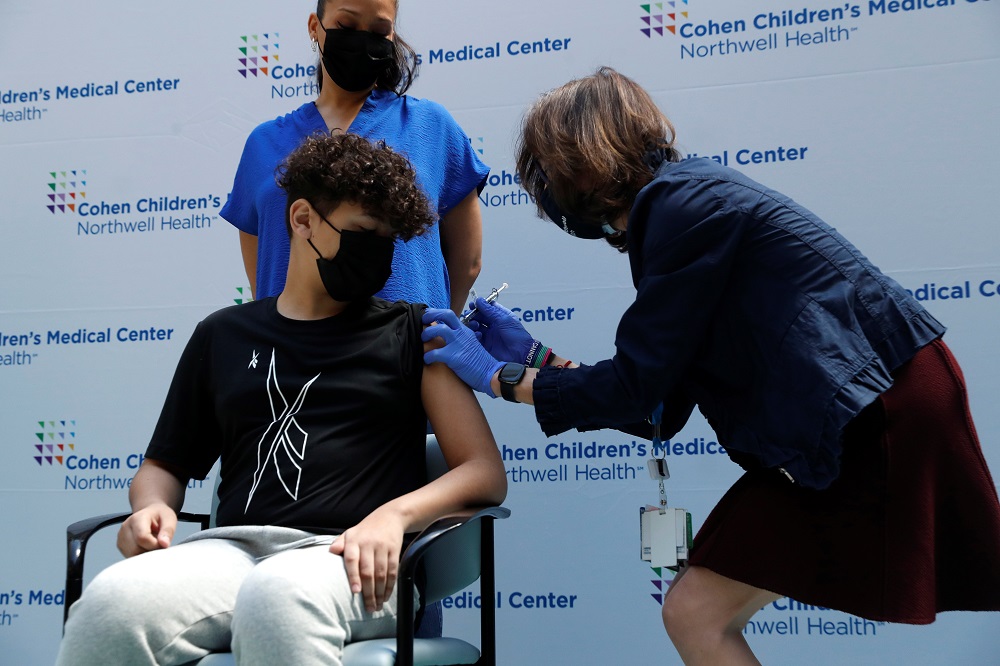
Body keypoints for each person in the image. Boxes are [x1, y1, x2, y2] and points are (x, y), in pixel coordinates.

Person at [421, 67, 1000, 665]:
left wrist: (496, 376)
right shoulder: (679, 206)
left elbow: (634, 389)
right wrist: (537, 359)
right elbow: (661, 408)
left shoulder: (678, 207)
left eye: (547, 169)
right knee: (698, 611)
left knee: (698, 611)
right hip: (869, 401)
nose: (546, 191)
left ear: (584, 155)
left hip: (877, 407)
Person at [56, 133, 507, 666]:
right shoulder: (222, 335)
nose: (376, 257)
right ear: (302, 218)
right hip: (232, 551)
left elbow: (483, 471)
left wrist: (393, 516)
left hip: (352, 560)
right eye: (362, 234)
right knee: (112, 602)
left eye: (386, 242)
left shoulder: (416, 333)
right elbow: (163, 465)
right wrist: (152, 506)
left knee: (278, 598)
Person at [222, 0, 488, 315]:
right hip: (291, 356)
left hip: (408, 356)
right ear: (314, 28)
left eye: (378, 31)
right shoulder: (262, 144)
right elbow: (264, 275)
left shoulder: (431, 126)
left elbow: (468, 261)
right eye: (347, 27)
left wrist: (430, 334)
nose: (362, 40)